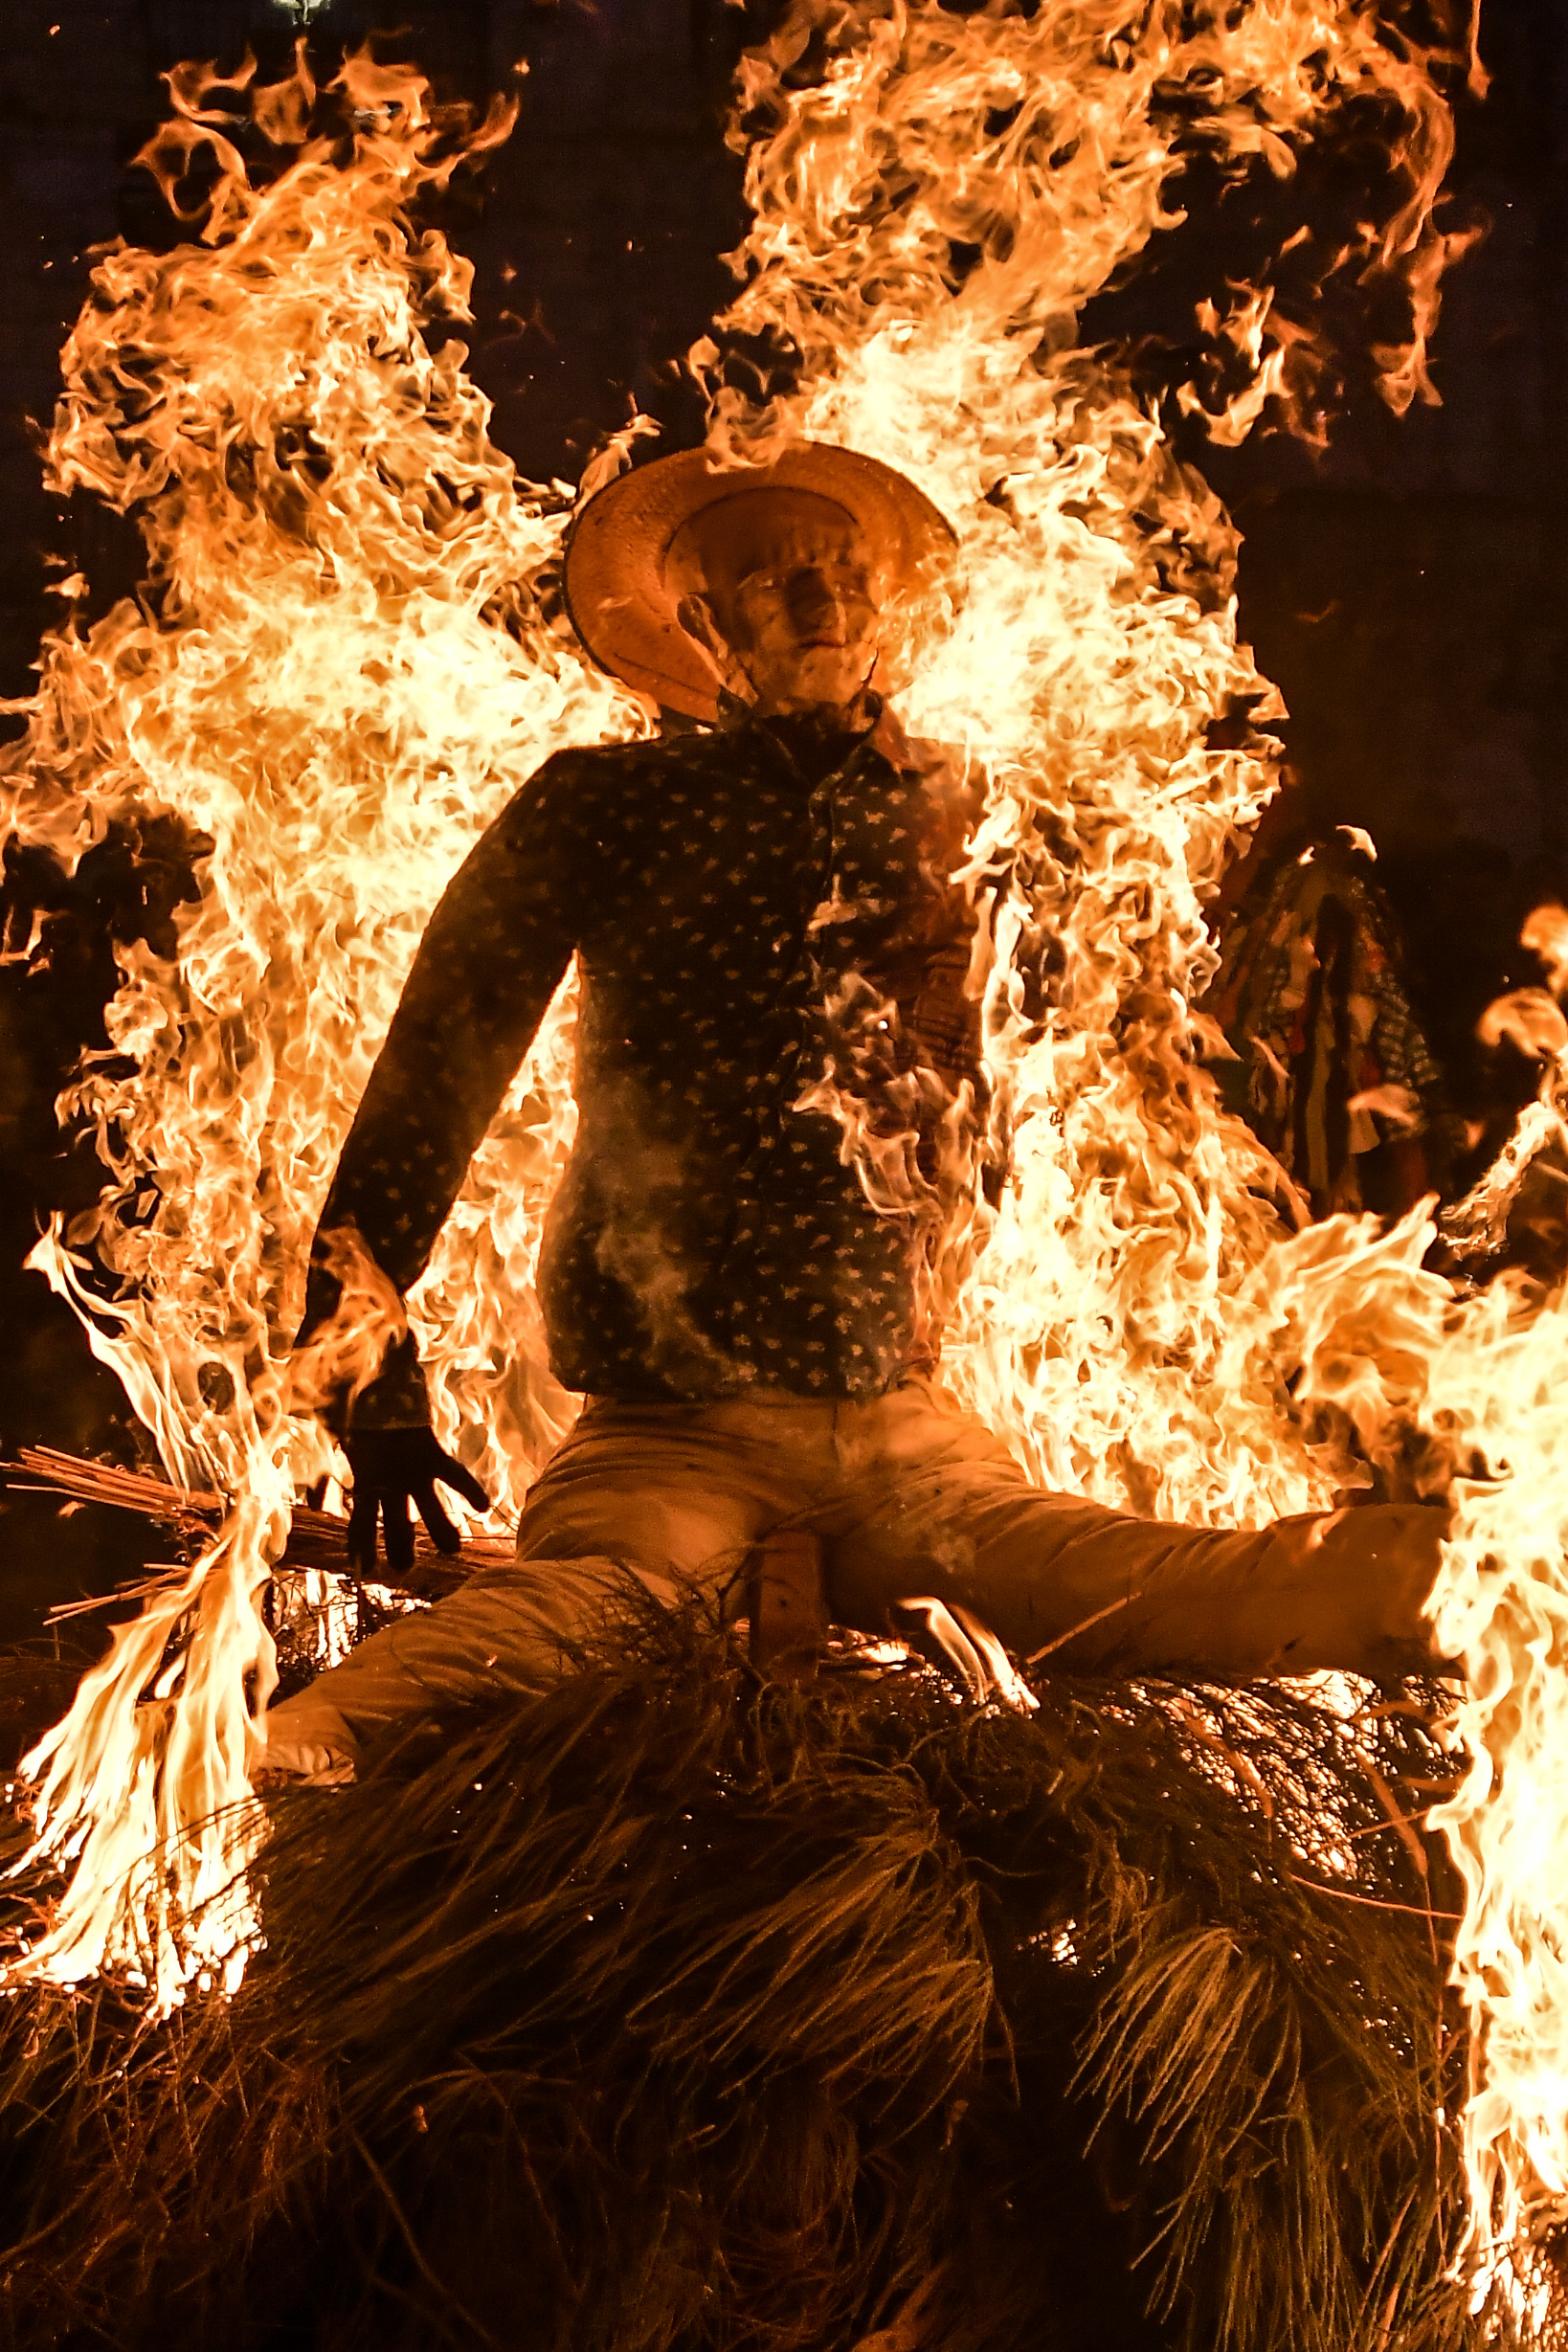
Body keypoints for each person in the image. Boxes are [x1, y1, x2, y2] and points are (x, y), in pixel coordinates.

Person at [264, 441, 1451, 1781]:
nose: (818, 604)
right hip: (669, 1435)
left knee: (1323, 1585)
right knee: (581, 1616)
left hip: (911, 1441)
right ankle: (269, 1756)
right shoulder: (598, 808)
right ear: (702, 630)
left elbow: (1144, 1091)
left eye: (838, 575)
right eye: (769, 583)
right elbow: (426, 1091)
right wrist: (367, 1381)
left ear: (883, 606)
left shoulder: (977, 816)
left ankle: (1470, 1583)